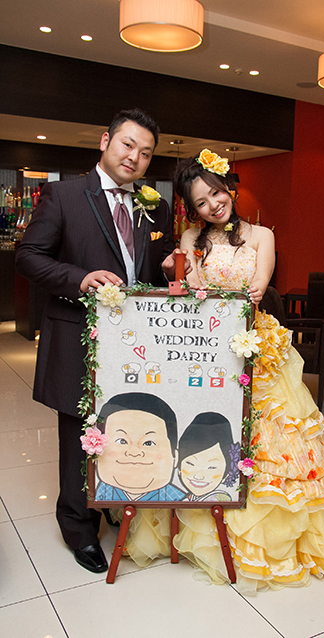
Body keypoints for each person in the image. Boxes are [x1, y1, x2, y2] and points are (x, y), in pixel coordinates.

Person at [123, 149, 324, 594]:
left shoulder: (263, 235)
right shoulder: (191, 237)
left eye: (216, 194)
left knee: (273, 434)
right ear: (193, 209)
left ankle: (269, 533)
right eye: (201, 202)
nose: (213, 206)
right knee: (207, 430)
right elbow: (187, 290)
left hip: (253, 341)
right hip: (206, 346)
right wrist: (178, 273)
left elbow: (258, 287)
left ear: (229, 188)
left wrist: (227, 294)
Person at [15, 108, 190, 574]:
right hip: (79, 335)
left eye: (146, 153)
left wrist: (169, 269)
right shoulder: (64, 195)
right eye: (128, 144)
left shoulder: (156, 206)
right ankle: (78, 528)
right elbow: (28, 257)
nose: (135, 157)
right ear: (104, 141)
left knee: (126, 424)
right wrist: (79, 278)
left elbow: (155, 268)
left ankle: (112, 497)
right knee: (80, 434)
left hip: (134, 344)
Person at [95, 392, 185, 502]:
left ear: (175, 457)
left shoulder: (181, 500)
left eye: (149, 443)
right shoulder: (97, 494)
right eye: (122, 441)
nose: (134, 452)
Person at [177, 412, 239, 502]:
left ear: (226, 473)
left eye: (212, 467)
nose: (198, 476)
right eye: (190, 464)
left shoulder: (219, 499)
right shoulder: (183, 497)